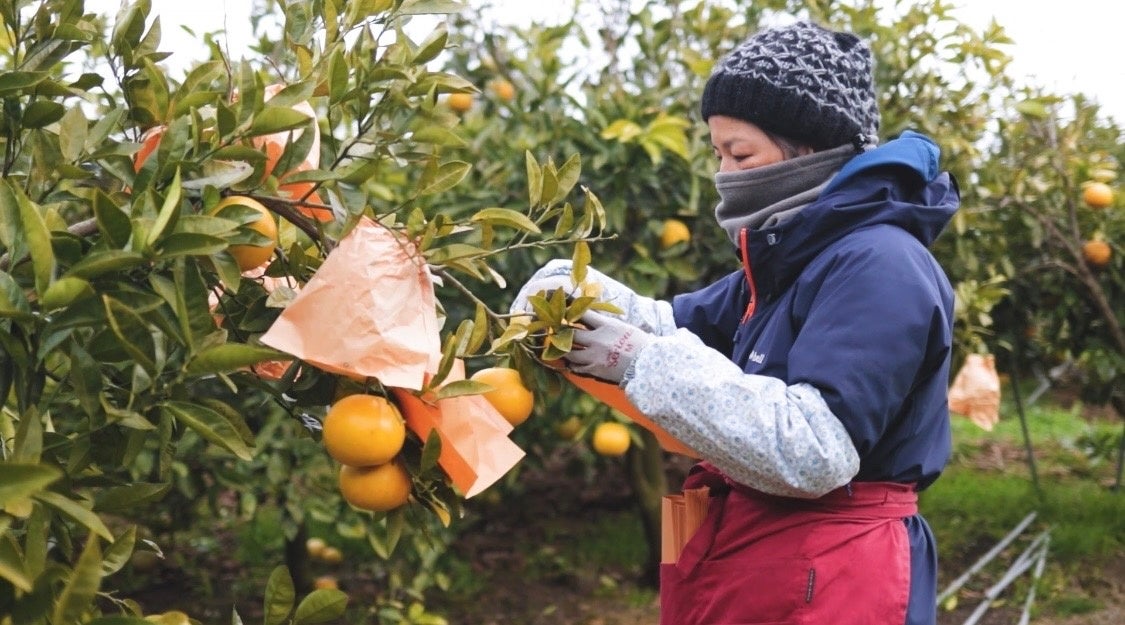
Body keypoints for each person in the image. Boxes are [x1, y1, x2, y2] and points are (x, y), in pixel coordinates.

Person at [510, 19, 958, 625]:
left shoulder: (880, 265)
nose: (722, 174)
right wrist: (578, 290)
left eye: (739, 153)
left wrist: (639, 359)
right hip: (763, 560)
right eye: (716, 152)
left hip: (831, 577)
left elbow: (815, 449)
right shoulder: (790, 260)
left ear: (811, 148)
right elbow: (676, 325)